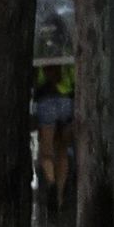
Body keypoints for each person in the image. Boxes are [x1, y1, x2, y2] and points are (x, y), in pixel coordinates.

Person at [34, 62, 74, 212]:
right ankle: (59, 196)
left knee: (46, 152)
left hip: (46, 101)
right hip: (66, 102)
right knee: (63, 151)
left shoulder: (41, 54)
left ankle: (51, 182)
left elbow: (35, 79)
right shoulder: (67, 52)